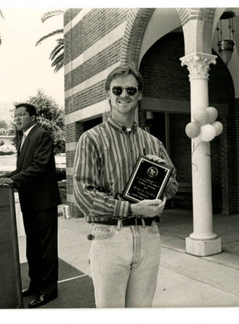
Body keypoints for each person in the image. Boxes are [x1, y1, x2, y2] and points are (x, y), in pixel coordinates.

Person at [72, 64, 178, 308]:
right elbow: (83, 195)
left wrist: (160, 179)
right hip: (111, 237)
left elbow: (173, 184)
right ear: (107, 93)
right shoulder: (92, 139)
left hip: (149, 237)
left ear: (139, 94)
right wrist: (132, 210)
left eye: (131, 90)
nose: (124, 95)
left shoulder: (153, 143)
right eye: (117, 90)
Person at [0, 103, 60, 308]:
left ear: (33, 117)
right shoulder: (24, 138)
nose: (17, 118)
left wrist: (13, 181)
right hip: (30, 202)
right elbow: (23, 169)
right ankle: (35, 285)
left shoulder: (41, 135)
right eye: (16, 115)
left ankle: (48, 292)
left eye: (22, 115)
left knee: (45, 248)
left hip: (43, 203)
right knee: (33, 247)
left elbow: (39, 166)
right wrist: (4, 177)